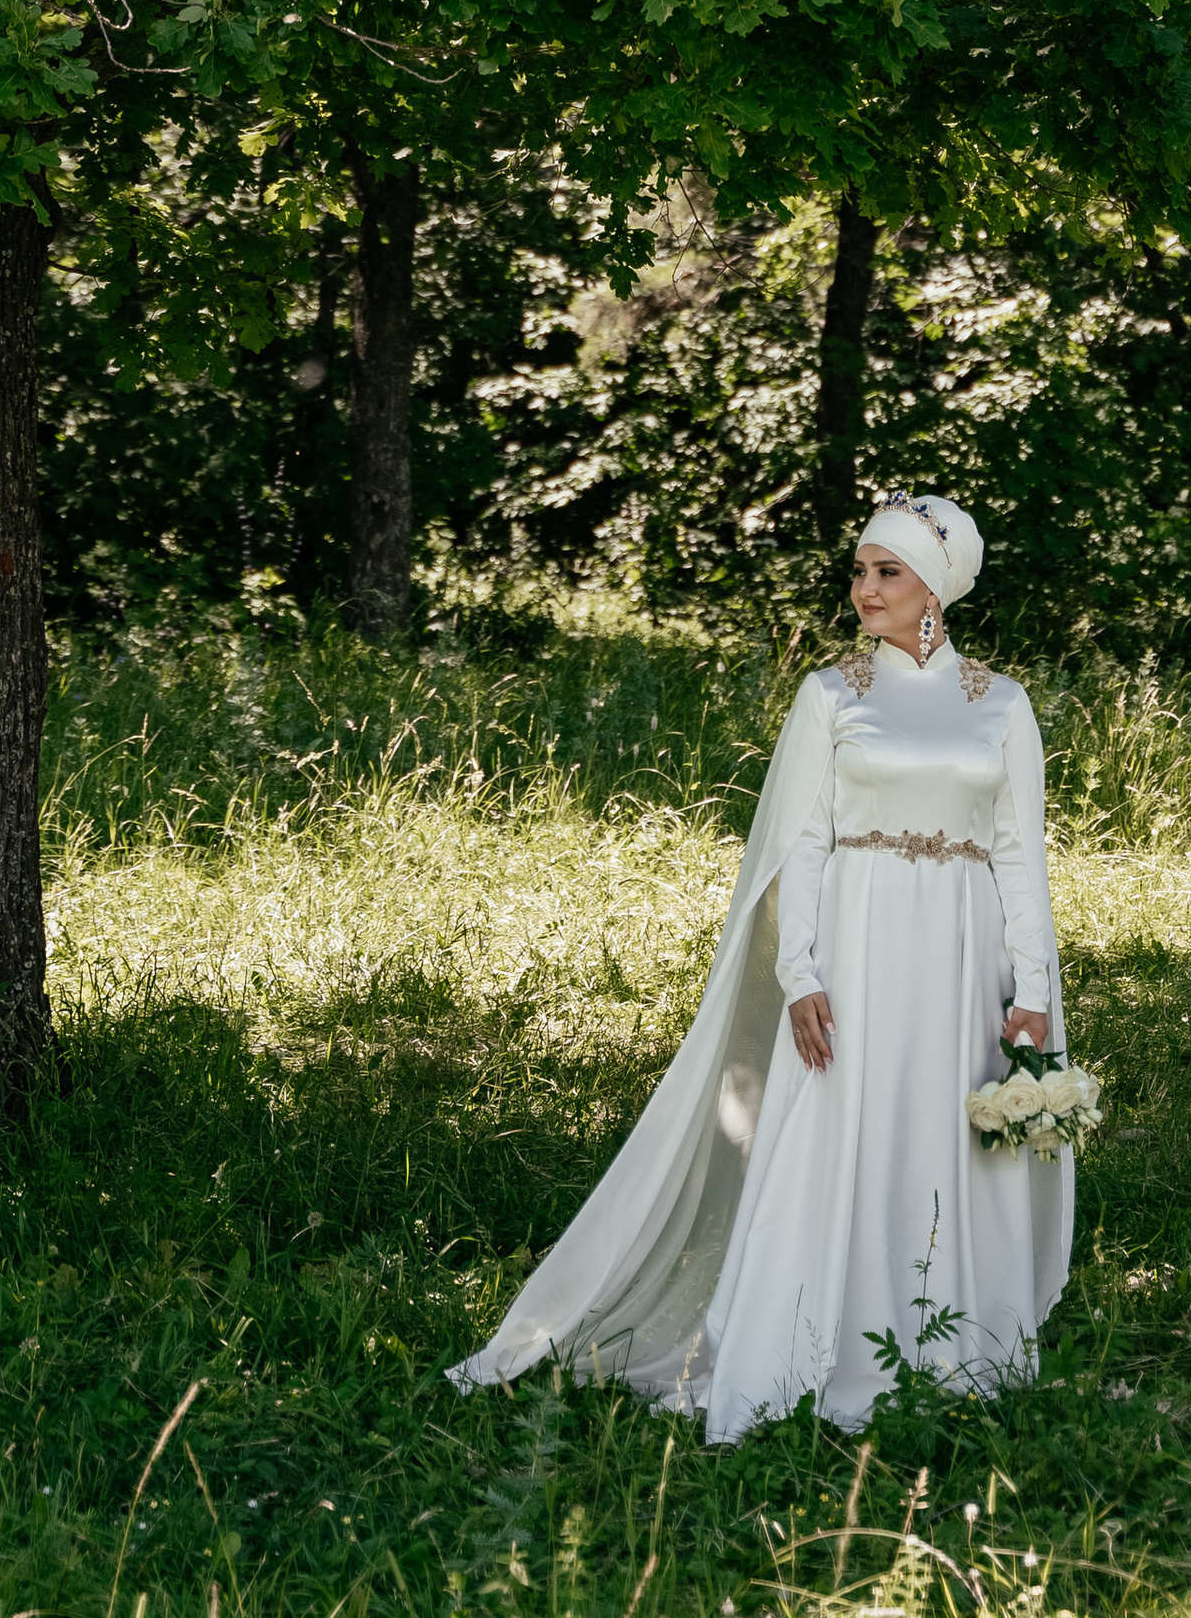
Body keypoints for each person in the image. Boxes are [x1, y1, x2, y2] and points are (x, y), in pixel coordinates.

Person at [452, 491, 1073, 1440]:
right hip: (857, 945)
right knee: (838, 1127)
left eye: (888, 571)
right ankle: (809, 1347)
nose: (865, 589)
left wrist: (1031, 988)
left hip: (961, 953)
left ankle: (950, 1347)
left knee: (944, 1132)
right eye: (860, 570)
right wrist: (801, 974)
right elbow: (802, 845)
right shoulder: (832, 694)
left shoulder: (1002, 704)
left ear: (936, 588)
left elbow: (1021, 856)